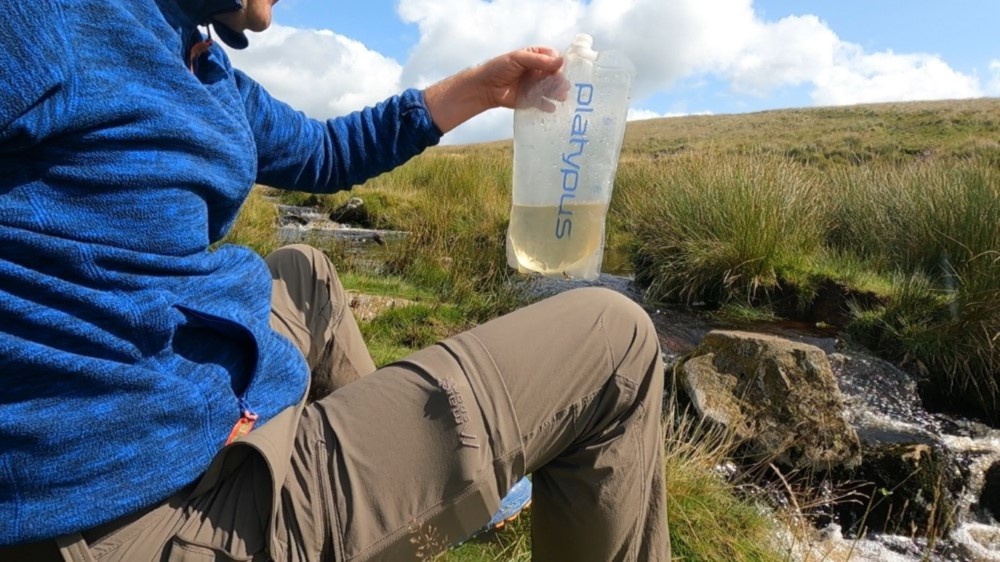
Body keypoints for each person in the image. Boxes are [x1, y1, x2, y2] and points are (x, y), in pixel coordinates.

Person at [0, 0, 671, 560]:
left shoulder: (197, 62)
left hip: (191, 421)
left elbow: (325, 151)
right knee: (616, 342)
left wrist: (481, 89)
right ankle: (398, 495)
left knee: (303, 271)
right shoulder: (51, 15)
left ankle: (417, 506)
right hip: (135, 512)